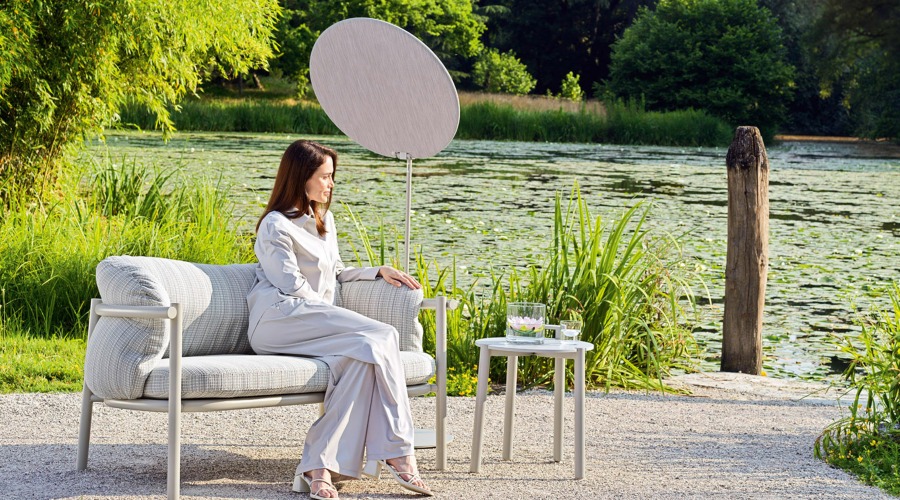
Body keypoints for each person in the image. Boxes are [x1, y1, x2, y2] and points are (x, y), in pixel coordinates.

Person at [246, 139, 432, 499]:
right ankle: (399, 451)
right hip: (279, 320)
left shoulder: (323, 220)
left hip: (316, 324)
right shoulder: (274, 225)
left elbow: (335, 272)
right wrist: (340, 317)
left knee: (362, 360)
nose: (331, 184)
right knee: (383, 335)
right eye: (324, 176)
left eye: (332, 176)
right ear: (301, 176)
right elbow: (292, 286)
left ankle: (318, 466)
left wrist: (376, 271)